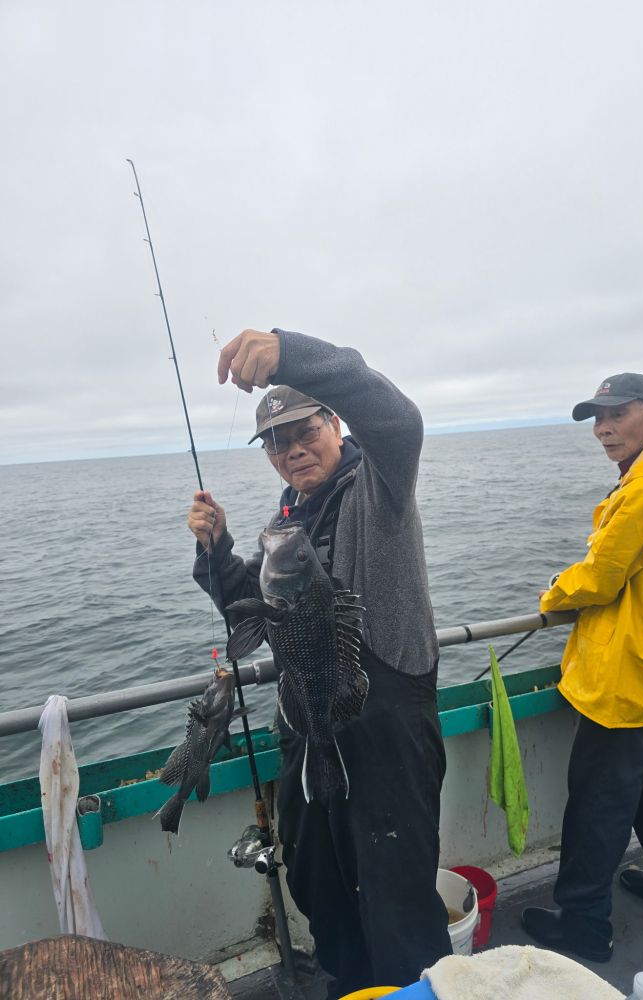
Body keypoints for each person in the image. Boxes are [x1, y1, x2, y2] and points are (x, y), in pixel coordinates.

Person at [188, 327, 452, 996]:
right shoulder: (287, 523)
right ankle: (349, 982)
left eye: (305, 428)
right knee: (317, 879)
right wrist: (217, 552)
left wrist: (290, 353)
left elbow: (399, 418)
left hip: (387, 729)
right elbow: (249, 609)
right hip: (307, 725)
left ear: (334, 420)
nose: (293, 448)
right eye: (276, 440)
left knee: (396, 896)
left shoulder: (381, 487)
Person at [520, 373, 643, 963]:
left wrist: (552, 593)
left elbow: (601, 577)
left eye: (618, 414)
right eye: (597, 418)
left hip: (627, 675)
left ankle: (584, 922)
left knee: (598, 802)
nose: (604, 428)